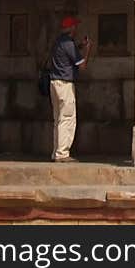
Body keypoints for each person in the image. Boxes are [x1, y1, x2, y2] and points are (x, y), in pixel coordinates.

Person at [48, 14, 91, 162]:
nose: (76, 28)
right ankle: (62, 154)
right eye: (75, 26)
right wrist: (88, 50)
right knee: (67, 118)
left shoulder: (59, 42)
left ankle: (56, 152)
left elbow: (69, 54)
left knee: (58, 119)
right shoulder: (68, 44)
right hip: (65, 84)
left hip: (54, 83)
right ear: (71, 28)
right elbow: (83, 65)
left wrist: (79, 46)